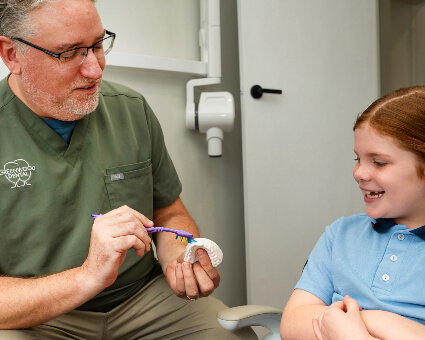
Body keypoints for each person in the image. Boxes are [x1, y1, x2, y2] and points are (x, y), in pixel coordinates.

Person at [0, 0, 256, 339]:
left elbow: (169, 214)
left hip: (141, 300)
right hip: (39, 316)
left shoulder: (131, 111)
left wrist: (179, 258)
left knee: (232, 335)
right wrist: (87, 277)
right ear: (12, 55)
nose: (95, 69)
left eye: (96, 44)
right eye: (69, 52)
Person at [280, 87, 425, 340]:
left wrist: (356, 329)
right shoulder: (340, 235)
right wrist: (379, 323)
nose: (359, 173)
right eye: (357, 159)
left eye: (378, 162)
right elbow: (292, 323)